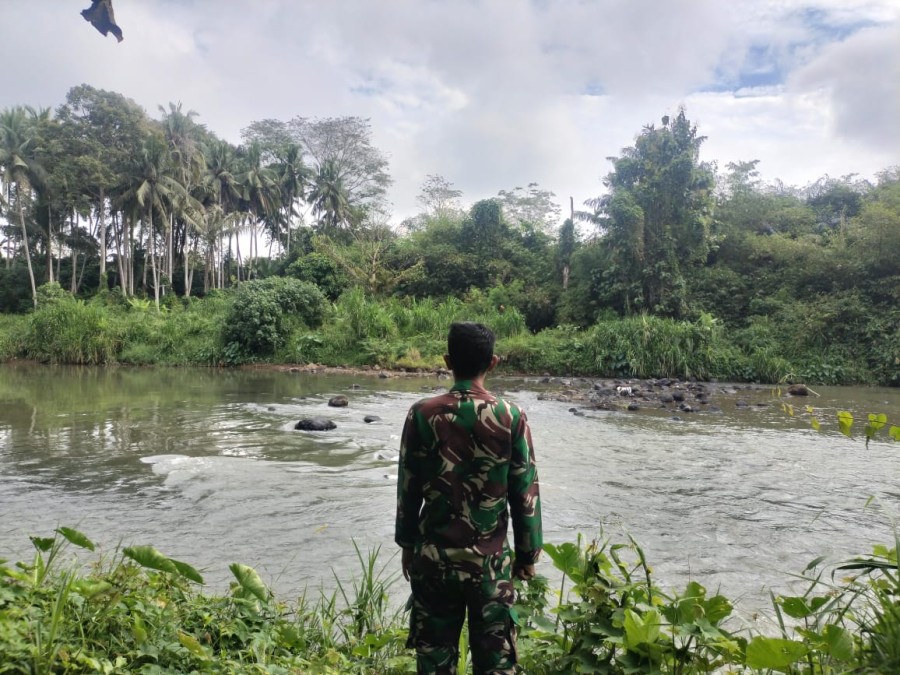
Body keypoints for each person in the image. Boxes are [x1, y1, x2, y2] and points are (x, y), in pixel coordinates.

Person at [395, 322, 542, 674]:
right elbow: (525, 492)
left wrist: (408, 545)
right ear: (493, 362)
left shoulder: (422, 414)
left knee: (434, 661)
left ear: (447, 361)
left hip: (434, 562)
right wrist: (527, 555)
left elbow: (407, 487)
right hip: (490, 568)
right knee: (496, 665)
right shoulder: (511, 417)